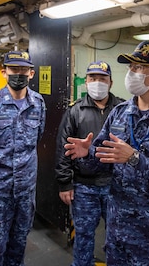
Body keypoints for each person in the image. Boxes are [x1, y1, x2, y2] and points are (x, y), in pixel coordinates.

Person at [64, 41, 149, 265]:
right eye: (131, 67)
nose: (132, 73)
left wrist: (134, 159)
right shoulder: (119, 113)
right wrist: (89, 153)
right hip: (118, 226)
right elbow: (103, 160)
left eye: (139, 68)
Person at [0, 50, 46, 266]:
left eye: (24, 70)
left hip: (25, 191)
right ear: (4, 72)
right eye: (14, 69)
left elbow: (37, 138)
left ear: (31, 73)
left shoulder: (38, 104)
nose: (19, 74)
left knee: (19, 244)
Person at [55, 61, 124, 266]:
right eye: (92, 79)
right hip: (85, 187)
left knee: (118, 236)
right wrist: (65, 183)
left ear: (110, 82)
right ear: (85, 82)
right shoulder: (75, 111)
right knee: (84, 236)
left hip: (115, 185)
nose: (97, 83)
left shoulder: (122, 109)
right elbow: (63, 148)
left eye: (102, 79)